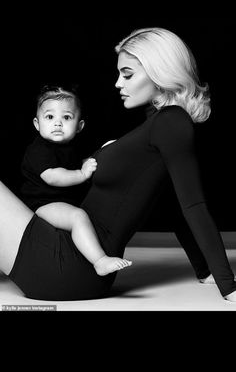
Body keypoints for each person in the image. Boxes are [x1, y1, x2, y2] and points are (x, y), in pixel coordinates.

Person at [0, 27, 235, 302]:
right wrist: (203, 270)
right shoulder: (157, 127)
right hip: (68, 256)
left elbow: (193, 205)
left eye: (128, 74)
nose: (117, 84)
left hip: (68, 263)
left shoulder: (171, 123)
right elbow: (172, 204)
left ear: (160, 72)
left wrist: (228, 286)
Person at [20, 85, 132, 276]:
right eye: (49, 117)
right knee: (77, 217)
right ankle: (100, 261)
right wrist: (81, 174)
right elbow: (53, 176)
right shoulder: (39, 149)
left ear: (79, 126)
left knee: (88, 213)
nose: (57, 123)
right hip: (41, 205)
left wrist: (105, 153)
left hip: (62, 202)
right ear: (37, 124)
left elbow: (79, 162)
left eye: (66, 117)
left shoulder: (70, 147)